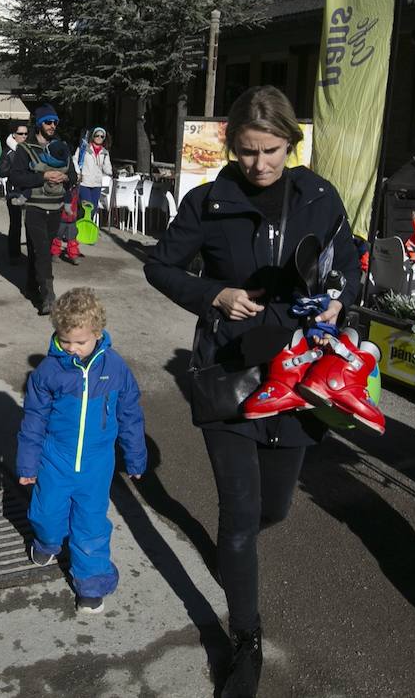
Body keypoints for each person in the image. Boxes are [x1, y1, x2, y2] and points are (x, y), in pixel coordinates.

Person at [144, 85, 360, 698]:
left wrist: (341, 299)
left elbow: (347, 262)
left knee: (274, 509)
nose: (259, 164)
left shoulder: (320, 197)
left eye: (270, 151)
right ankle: (246, 636)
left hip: (299, 377)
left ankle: (237, 555)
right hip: (228, 376)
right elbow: (160, 266)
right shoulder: (207, 201)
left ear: (291, 143)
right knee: (238, 515)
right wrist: (214, 295)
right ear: (230, 147)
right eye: (245, 152)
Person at [16, 288, 146, 613]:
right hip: (55, 459)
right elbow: (33, 419)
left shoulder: (115, 369)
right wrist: (27, 465)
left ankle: (91, 583)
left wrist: (135, 456)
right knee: (46, 514)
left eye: (80, 342)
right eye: (65, 341)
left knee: (90, 525)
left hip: (96, 466)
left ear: (97, 334)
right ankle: (46, 541)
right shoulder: (48, 371)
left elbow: (130, 414)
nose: (72, 349)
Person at [9, 106, 75, 314]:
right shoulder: (25, 149)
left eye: (55, 122)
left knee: (37, 249)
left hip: (55, 207)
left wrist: (66, 178)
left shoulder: (61, 148)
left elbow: (73, 176)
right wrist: (43, 177)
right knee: (42, 250)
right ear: (39, 124)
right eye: (48, 122)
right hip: (35, 207)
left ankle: (30, 286)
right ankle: (48, 295)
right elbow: (16, 177)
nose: (52, 126)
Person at [3, 123, 28, 262]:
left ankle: (31, 255)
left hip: (29, 191)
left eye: (25, 133)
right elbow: (1, 171)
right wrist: (16, 171)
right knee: (16, 224)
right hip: (14, 192)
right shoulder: (9, 151)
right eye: (20, 133)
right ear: (14, 135)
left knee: (31, 224)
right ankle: (14, 254)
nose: (23, 136)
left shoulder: (29, 149)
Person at [76, 127, 113, 218]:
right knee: (87, 207)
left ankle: (87, 229)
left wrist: (112, 172)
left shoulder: (104, 152)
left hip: (97, 184)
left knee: (94, 209)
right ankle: (80, 227)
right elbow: (75, 160)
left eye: (102, 136)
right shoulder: (84, 148)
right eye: (97, 135)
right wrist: (78, 172)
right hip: (85, 182)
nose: (99, 138)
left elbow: (107, 168)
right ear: (93, 136)